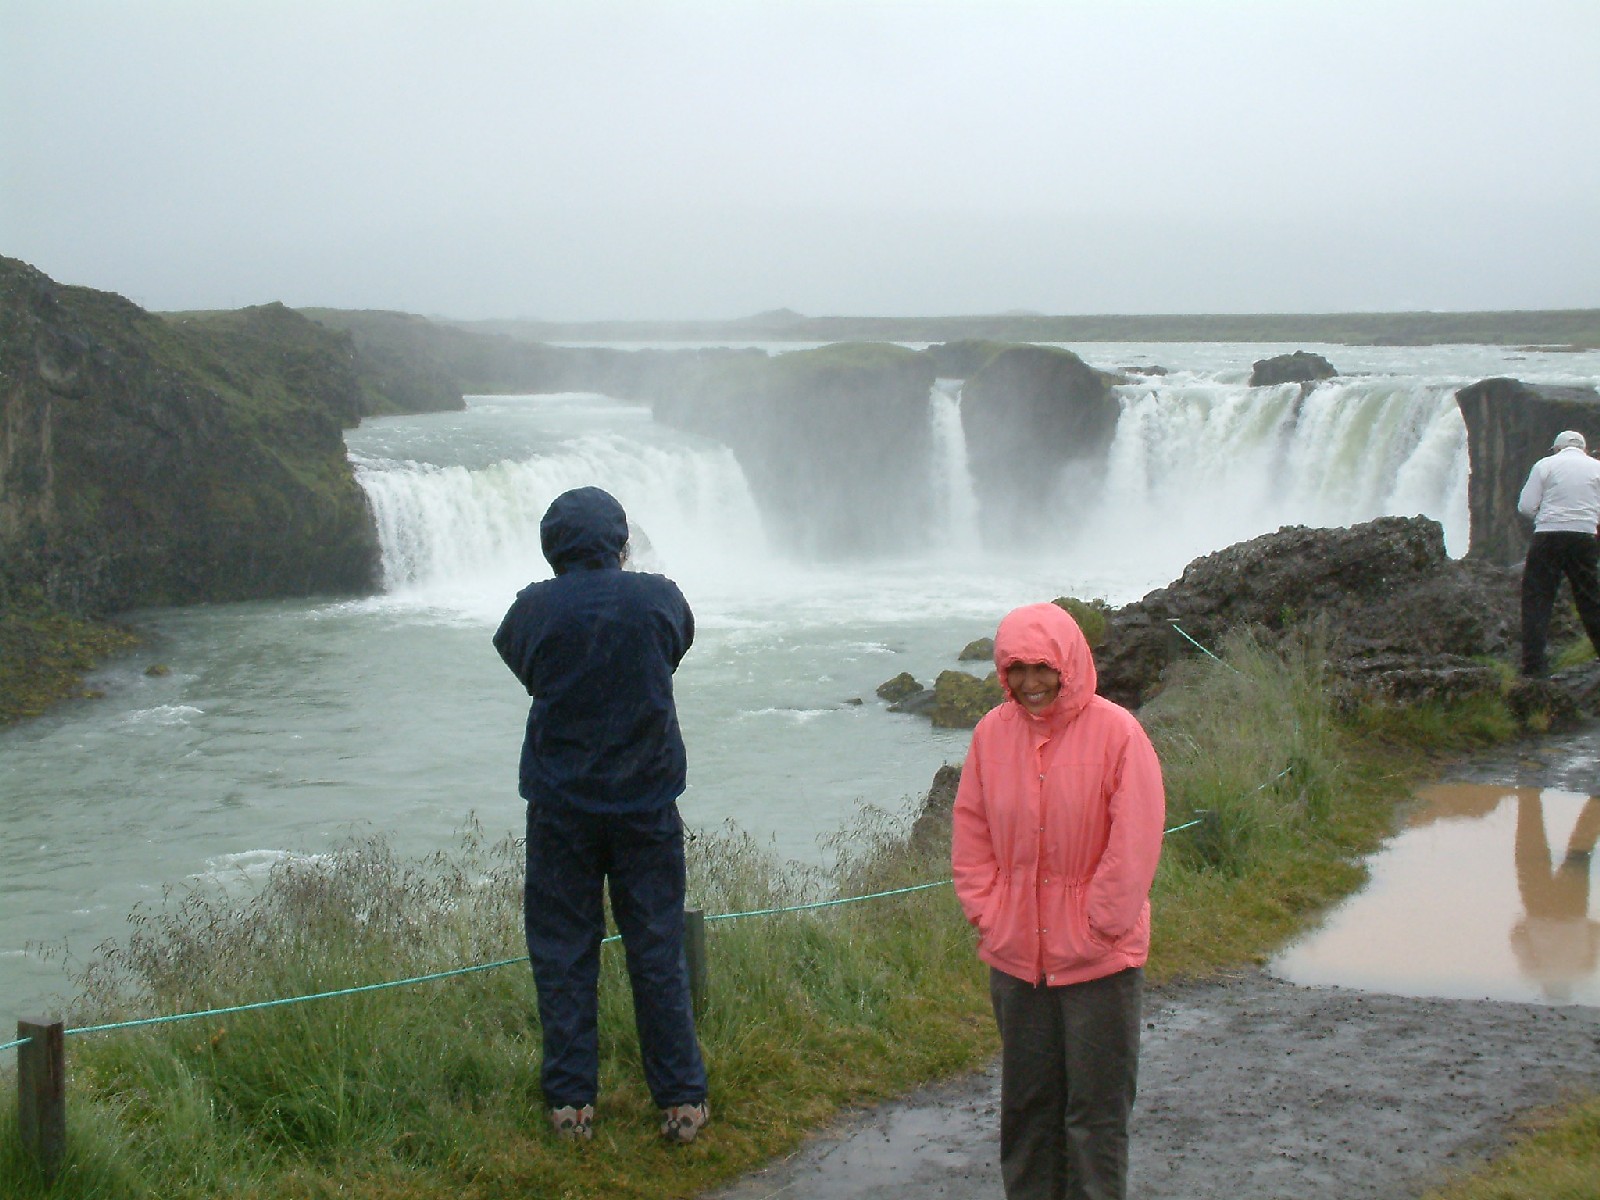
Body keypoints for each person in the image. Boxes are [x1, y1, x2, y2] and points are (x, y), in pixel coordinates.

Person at [493, 486, 709, 1145]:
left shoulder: (532, 609)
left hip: (561, 808)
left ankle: (571, 1105)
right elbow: (674, 648)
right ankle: (680, 1100)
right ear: (618, 540)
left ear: (553, 545)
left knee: (562, 954)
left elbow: (525, 665)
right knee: (656, 947)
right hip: (646, 804)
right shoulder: (660, 598)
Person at [951, 601, 1165, 1200]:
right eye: (1016, 669)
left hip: (1100, 962)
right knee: (1028, 1110)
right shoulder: (991, 735)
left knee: (1095, 1117)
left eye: (1042, 667)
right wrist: (990, 916)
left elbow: (1136, 839)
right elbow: (971, 834)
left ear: (1070, 662)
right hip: (1018, 959)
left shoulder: (1118, 733)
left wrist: (1101, 927)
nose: (1030, 683)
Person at [1517, 430, 1600, 677]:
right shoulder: (1596, 468)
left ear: (1557, 448)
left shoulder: (1545, 465)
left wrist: (1544, 518)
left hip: (1548, 537)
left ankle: (1534, 667)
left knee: (1537, 599)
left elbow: (1526, 506)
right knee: (1591, 599)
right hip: (1584, 537)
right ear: (1584, 449)